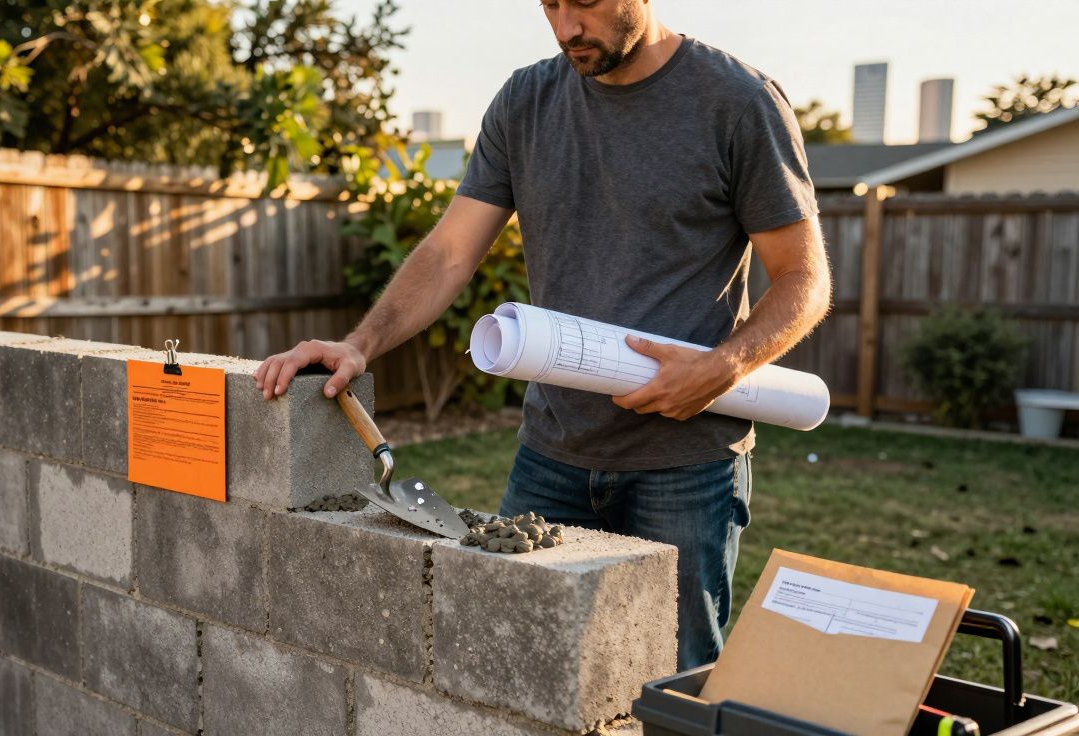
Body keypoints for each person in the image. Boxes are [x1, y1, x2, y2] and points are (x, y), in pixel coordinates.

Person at [254, 0, 831, 671]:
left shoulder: (736, 101)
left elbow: (803, 280)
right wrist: (360, 344)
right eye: (549, 5)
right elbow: (448, 253)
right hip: (551, 454)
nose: (565, 29)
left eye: (583, 2)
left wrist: (724, 368)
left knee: (672, 677)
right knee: (515, 663)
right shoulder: (526, 100)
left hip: (685, 464)